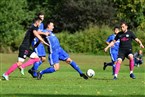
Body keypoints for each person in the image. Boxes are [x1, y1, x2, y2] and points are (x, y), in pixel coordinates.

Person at [28, 12, 46, 78]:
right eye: (41, 17)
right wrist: (44, 33)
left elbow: (41, 33)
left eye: (43, 17)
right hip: (35, 42)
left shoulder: (42, 24)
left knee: (43, 59)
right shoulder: (35, 24)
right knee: (38, 58)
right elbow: (36, 32)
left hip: (40, 42)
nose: (42, 19)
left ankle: (32, 70)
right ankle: (34, 73)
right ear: (38, 17)